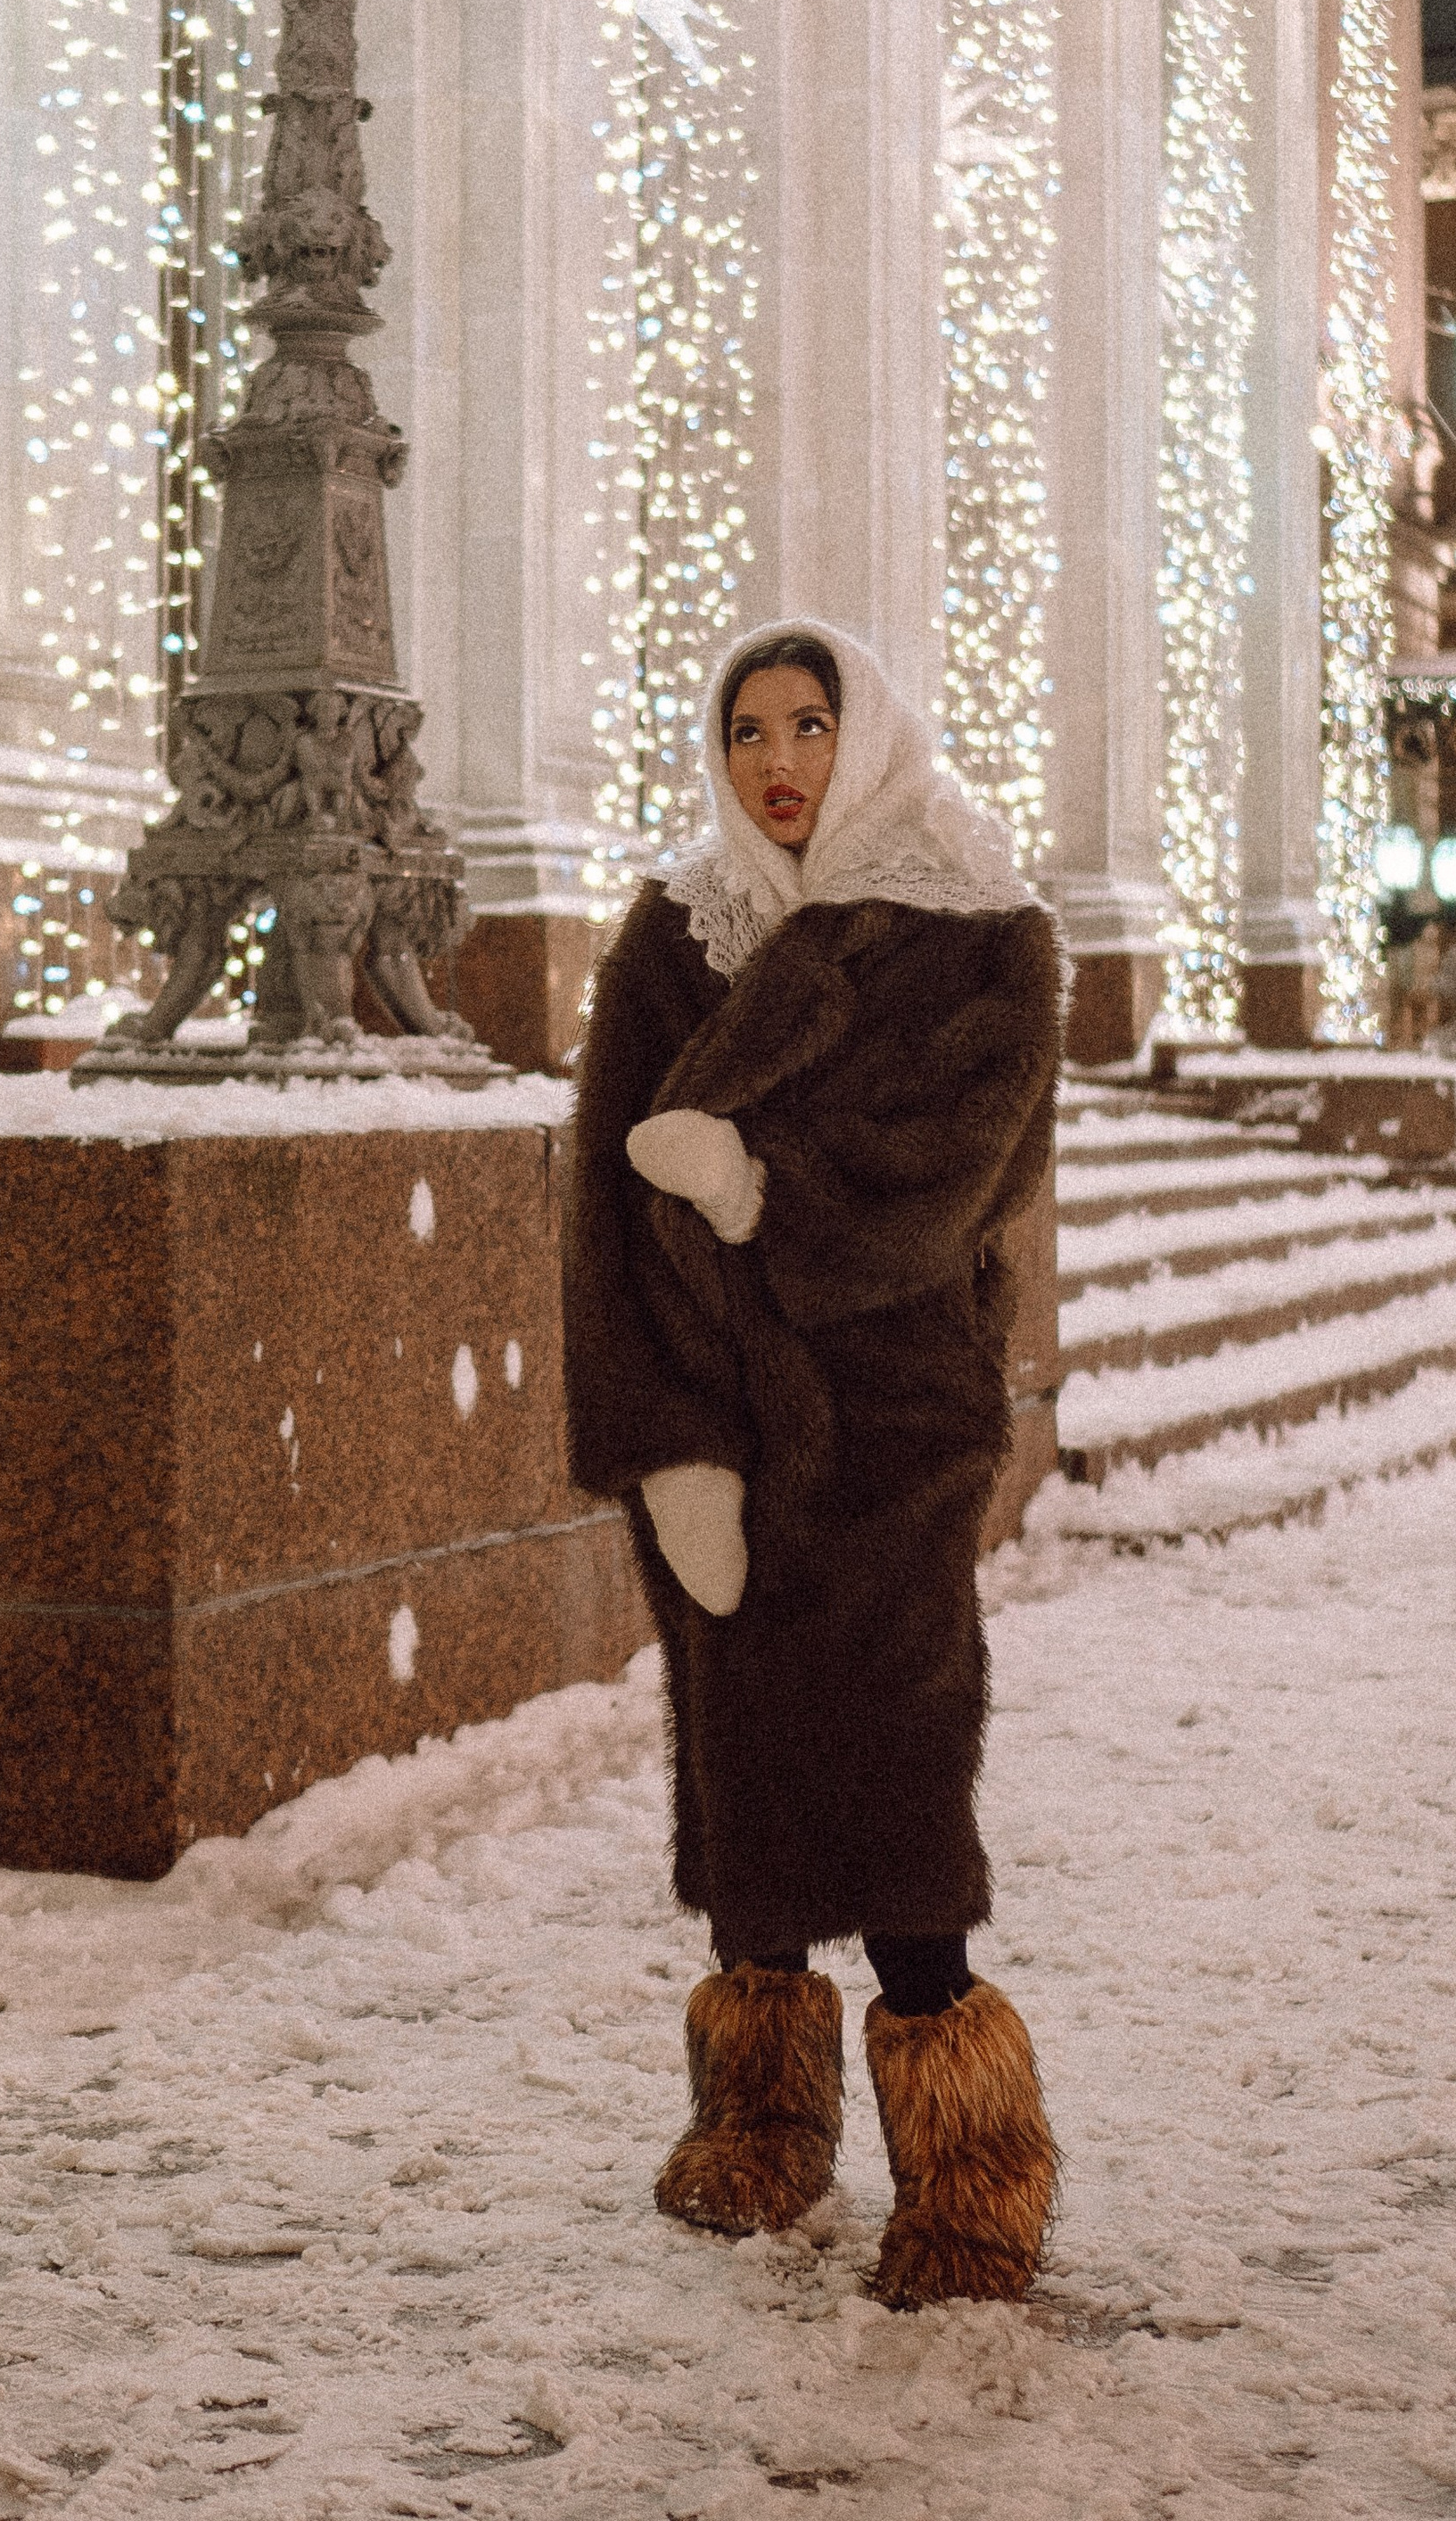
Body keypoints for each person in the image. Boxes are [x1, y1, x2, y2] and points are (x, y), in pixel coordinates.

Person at [563, 617, 1064, 2303]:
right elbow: (598, 1208)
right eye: (747, 730)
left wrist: (760, 1191)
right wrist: (664, 1443)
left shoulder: (982, 927)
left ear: (869, 736)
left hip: (895, 1415)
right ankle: (760, 2123)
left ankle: (970, 2172)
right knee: (744, 1757)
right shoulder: (676, 933)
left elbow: (969, 1171)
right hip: (713, 1411)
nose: (777, 762)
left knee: (901, 1757)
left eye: (810, 724)